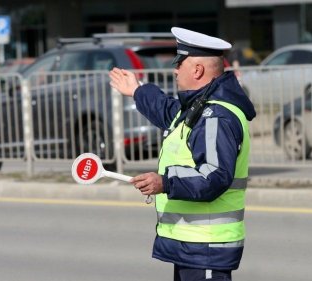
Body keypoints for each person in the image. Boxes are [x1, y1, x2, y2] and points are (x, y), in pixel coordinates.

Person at [109, 27, 256, 281]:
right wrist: (137, 90)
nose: (175, 69)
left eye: (180, 62)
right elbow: (167, 111)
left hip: (206, 248)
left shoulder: (215, 117)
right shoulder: (198, 109)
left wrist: (164, 182)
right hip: (194, 248)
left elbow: (215, 176)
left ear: (197, 70)